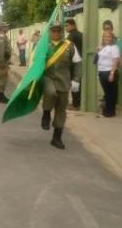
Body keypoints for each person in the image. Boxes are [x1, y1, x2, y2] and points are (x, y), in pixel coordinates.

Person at [41, 22, 81, 150]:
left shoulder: (69, 46)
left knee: (61, 109)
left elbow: (78, 63)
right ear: (50, 32)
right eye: (54, 31)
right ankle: (46, 113)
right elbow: (35, 63)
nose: (56, 33)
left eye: (59, 31)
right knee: (51, 93)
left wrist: (76, 79)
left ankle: (56, 137)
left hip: (64, 80)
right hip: (48, 78)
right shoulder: (43, 46)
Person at [97, 31, 121, 117]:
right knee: (107, 92)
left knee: (110, 93)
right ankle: (109, 111)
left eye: (108, 36)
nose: (106, 38)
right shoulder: (103, 47)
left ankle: (110, 112)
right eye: (105, 36)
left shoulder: (114, 47)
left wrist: (112, 73)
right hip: (102, 72)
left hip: (109, 71)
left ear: (112, 38)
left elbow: (115, 60)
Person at [65, 19, 83, 110]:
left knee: (74, 84)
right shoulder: (80, 34)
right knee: (78, 83)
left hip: (73, 64)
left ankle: (75, 105)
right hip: (81, 62)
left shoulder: (71, 36)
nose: (66, 28)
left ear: (73, 25)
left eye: (67, 26)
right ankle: (78, 103)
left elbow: (66, 50)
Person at [0, 22, 11, 103]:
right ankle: (1, 96)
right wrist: (2, 62)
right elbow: (0, 51)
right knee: (2, 78)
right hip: (2, 61)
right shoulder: (1, 38)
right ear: (2, 28)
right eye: (6, 27)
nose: (7, 28)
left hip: (0, 60)